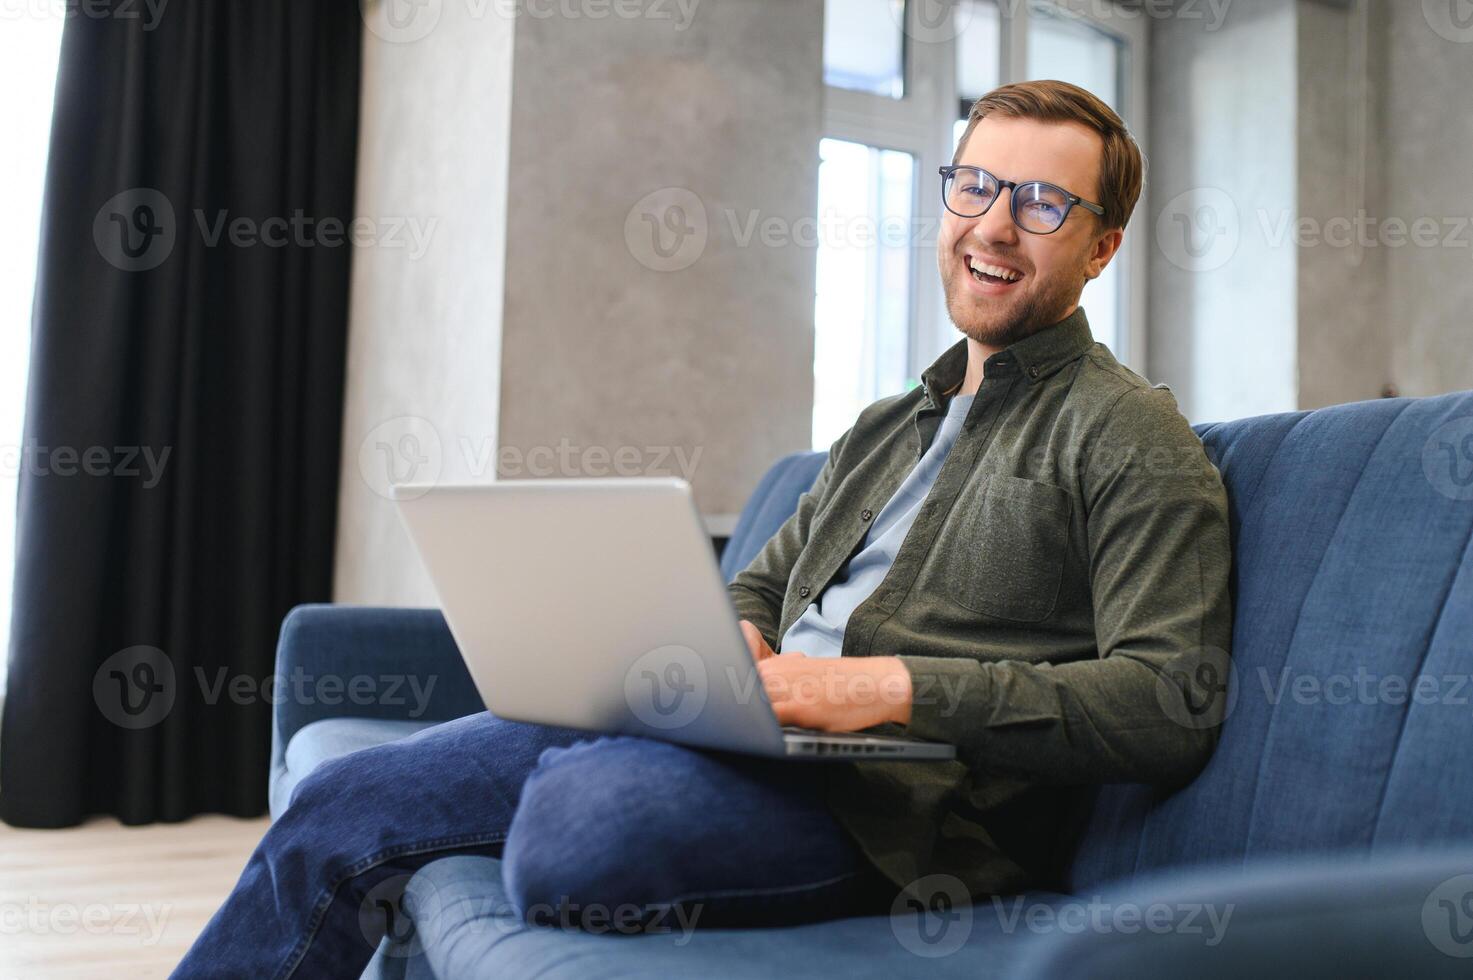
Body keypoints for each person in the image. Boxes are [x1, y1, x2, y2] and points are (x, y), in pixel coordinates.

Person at [173, 78, 1232, 978]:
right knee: (348, 793)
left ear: (1101, 246)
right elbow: (759, 584)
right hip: (731, 729)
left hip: (886, 807)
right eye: (975, 186)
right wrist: (740, 641)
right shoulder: (888, 421)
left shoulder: (1132, 431)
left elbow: (1167, 698)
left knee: (579, 829)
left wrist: (884, 685)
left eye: (1043, 203)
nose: (995, 224)